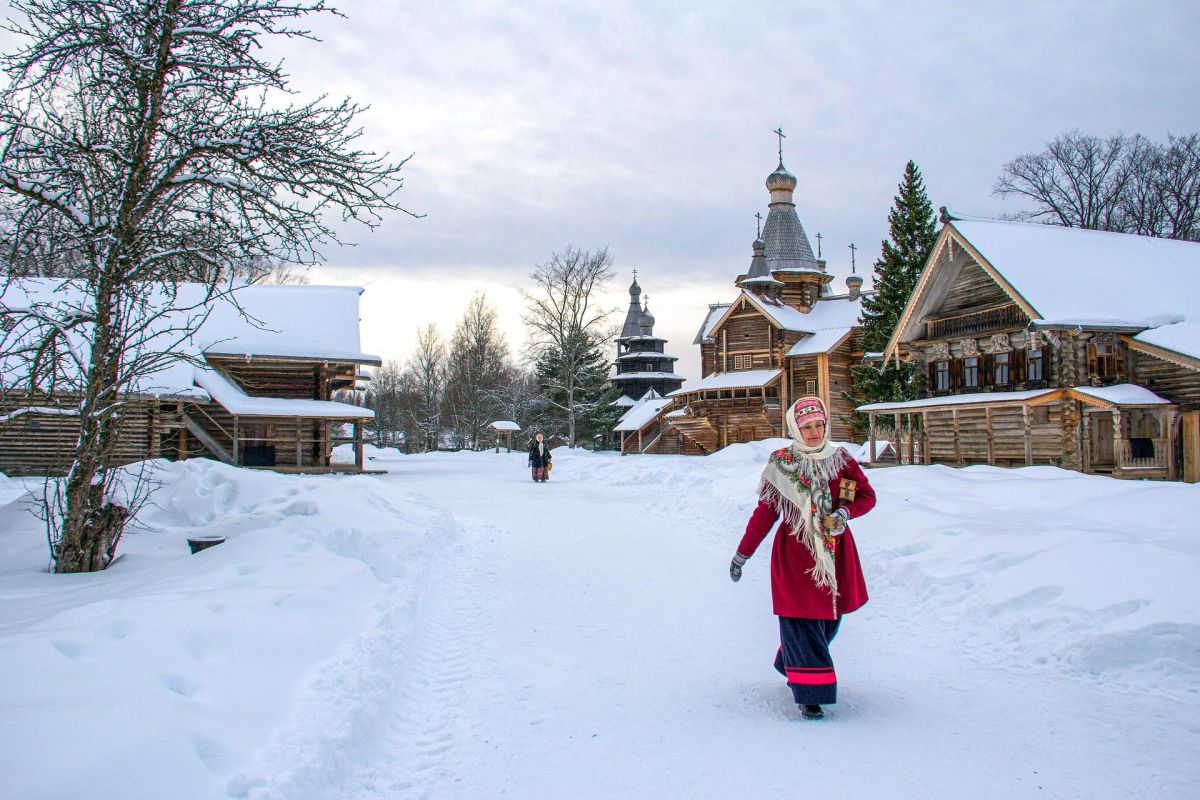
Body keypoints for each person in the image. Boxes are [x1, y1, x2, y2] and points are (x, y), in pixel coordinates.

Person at [729, 396, 876, 720]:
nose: (813, 432)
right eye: (807, 427)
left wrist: (844, 511)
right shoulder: (781, 463)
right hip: (796, 555)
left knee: (828, 622)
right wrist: (743, 553)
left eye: (818, 425)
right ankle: (811, 695)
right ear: (796, 428)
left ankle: (792, 661)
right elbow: (765, 513)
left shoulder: (841, 460)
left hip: (834, 553)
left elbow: (866, 496)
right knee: (801, 621)